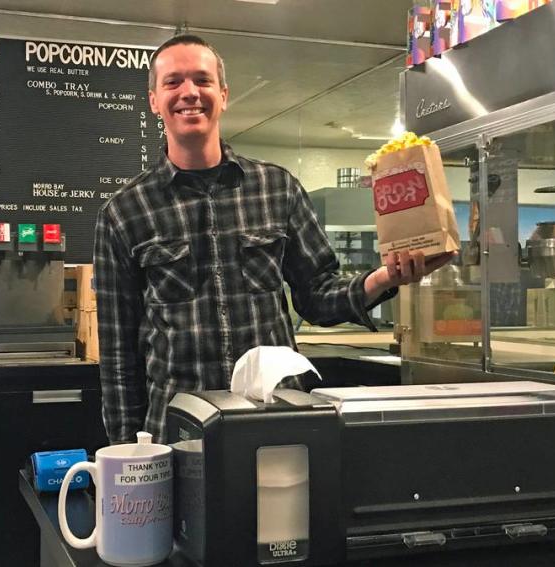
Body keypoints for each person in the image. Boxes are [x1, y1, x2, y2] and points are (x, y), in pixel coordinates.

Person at [94, 34, 453, 444]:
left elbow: (317, 297)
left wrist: (384, 278)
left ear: (224, 95)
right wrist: (125, 456)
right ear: (154, 100)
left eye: (202, 80)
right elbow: (118, 357)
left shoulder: (277, 188)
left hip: (276, 425)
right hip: (176, 434)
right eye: (173, 82)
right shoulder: (123, 213)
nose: (189, 92)